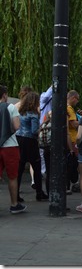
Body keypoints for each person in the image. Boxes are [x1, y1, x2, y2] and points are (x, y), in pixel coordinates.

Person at [16, 91, 48, 202]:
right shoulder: (33, 114)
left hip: (19, 140)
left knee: (19, 168)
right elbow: (34, 131)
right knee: (36, 166)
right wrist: (43, 126)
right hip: (30, 142)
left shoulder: (20, 112)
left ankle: (15, 194)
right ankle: (39, 193)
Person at [0, 85, 26, 213]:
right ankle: (14, 204)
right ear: (4, 95)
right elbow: (16, 126)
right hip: (10, 146)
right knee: (12, 176)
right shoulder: (11, 107)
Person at [67, 90, 80, 194]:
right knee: (73, 163)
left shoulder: (64, 107)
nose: (77, 102)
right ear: (73, 98)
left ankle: (70, 183)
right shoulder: (70, 109)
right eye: (77, 99)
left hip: (69, 139)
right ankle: (74, 182)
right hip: (72, 139)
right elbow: (73, 124)